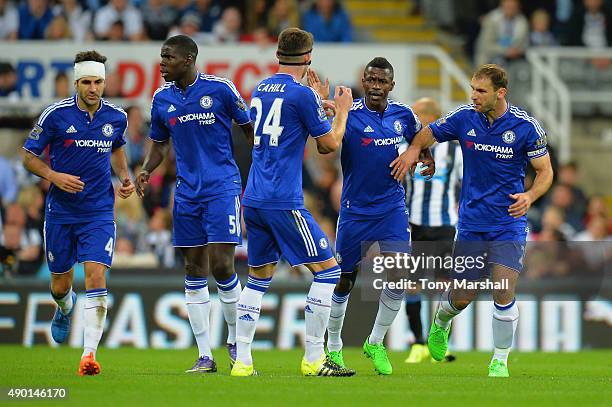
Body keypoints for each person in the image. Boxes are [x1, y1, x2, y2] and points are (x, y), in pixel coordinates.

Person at [390, 64, 554, 377]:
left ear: (500, 93)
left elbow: (545, 172)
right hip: (471, 224)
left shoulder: (526, 127)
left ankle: (499, 360)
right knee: (462, 296)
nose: (474, 96)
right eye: (472, 89)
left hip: (508, 222)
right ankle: (441, 321)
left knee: (503, 290)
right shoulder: (464, 117)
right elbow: (428, 133)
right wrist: (416, 151)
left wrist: (530, 197)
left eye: (481, 91)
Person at [231, 27, 354, 377]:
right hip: (282, 199)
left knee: (258, 277)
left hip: (252, 197)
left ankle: (242, 361)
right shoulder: (302, 95)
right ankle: (314, 358)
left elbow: (287, 124)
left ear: (278, 54)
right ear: (309, 56)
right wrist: (340, 110)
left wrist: (318, 103)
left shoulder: (261, 87)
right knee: (329, 270)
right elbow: (328, 145)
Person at [136, 35, 254, 374]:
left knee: (221, 265)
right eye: (161, 56)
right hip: (186, 193)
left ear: (188, 59)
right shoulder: (161, 99)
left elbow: (249, 131)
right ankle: (205, 355)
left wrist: (261, 170)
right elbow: (159, 145)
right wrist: (146, 169)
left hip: (222, 187)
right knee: (193, 269)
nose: (162, 63)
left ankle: (234, 341)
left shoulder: (221, 89)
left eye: (168, 57)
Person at [306, 58, 431, 375]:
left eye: (381, 81)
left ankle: (375, 341)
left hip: (391, 209)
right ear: (364, 81)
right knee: (344, 278)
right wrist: (321, 105)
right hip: (355, 211)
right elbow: (326, 142)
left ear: (391, 85)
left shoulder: (404, 114)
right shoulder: (349, 114)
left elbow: (420, 136)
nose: (375, 86)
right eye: (370, 80)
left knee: (399, 278)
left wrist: (418, 154)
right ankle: (333, 348)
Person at [22, 50, 135, 376]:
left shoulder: (116, 117)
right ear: (76, 82)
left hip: (99, 210)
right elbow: (28, 156)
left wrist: (124, 178)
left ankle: (88, 355)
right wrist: (54, 176)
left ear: (104, 82)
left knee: (97, 276)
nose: (93, 88)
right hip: (61, 212)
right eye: (86, 82)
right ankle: (65, 307)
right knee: (60, 284)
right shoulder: (54, 116)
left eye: (98, 81)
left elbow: (117, 148)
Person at [401, 97, 462, 364]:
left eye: (419, 114)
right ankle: (417, 342)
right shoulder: (407, 148)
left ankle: (440, 342)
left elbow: (465, 185)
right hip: (414, 224)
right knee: (411, 285)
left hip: (444, 225)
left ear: (433, 117)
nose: (414, 120)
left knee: (443, 286)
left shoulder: (453, 151)